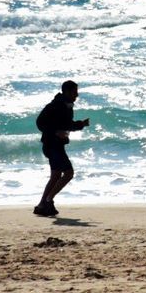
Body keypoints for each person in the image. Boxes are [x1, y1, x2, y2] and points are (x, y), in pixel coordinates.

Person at [34, 80, 90, 217]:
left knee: (56, 175)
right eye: (74, 92)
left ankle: (42, 205)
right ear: (66, 92)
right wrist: (54, 132)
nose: (77, 95)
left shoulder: (67, 106)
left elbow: (66, 124)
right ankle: (48, 200)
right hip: (52, 145)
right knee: (68, 173)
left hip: (56, 145)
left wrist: (80, 124)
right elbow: (39, 122)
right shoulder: (55, 105)